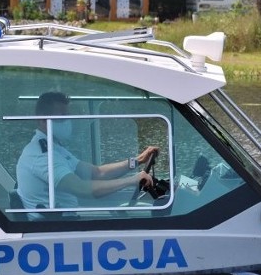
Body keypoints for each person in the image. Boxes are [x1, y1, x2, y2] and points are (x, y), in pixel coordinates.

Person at [15, 91, 157, 217]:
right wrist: (131, 181)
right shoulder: (41, 155)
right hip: (54, 226)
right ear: (42, 121)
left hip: (65, 219)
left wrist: (137, 161)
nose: (67, 122)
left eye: (68, 116)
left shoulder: (55, 148)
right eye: (62, 117)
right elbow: (81, 188)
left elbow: (96, 172)